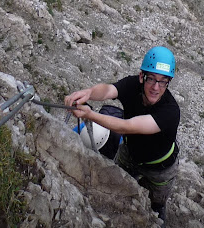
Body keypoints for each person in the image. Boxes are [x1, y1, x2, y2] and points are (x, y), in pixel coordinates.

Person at [65, 46, 180, 224]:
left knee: (157, 201)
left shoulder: (170, 111)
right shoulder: (133, 85)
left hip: (160, 167)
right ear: (142, 76)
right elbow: (109, 90)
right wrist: (89, 93)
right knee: (117, 185)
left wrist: (89, 114)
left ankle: (158, 210)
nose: (156, 87)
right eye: (151, 79)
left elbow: (128, 126)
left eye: (163, 81)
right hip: (130, 152)